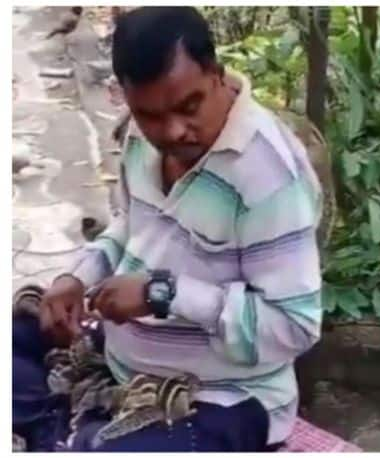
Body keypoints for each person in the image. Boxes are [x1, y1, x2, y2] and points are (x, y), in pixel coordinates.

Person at [13, 7, 323, 451]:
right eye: (151, 115)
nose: (173, 130)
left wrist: (164, 294)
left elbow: (294, 326)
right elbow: (132, 227)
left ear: (216, 74)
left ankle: (65, 433)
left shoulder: (269, 174)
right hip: (121, 366)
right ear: (125, 97)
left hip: (220, 398)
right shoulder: (140, 139)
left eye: (189, 106)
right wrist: (76, 277)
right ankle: (68, 434)